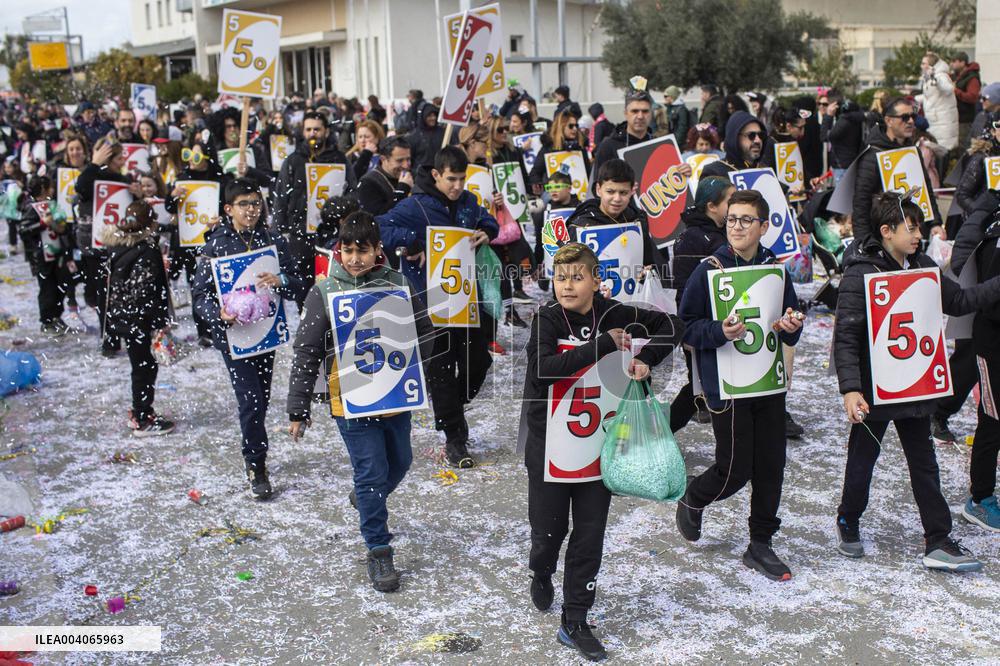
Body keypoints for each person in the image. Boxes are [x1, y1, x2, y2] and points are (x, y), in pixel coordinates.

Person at [522, 241, 680, 662]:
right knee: (549, 533)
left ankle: (575, 619)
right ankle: (541, 570)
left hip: (600, 445)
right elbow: (542, 370)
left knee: (589, 536)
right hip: (550, 448)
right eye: (560, 277)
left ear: (596, 281)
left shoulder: (614, 313)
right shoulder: (546, 319)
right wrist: (604, 346)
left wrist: (647, 360)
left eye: (577, 277)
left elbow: (673, 326)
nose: (567, 286)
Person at [832, 192, 1000, 570]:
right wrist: (851, 389)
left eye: (919, 227)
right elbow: (846, 336)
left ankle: (938, 538)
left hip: (915, 386)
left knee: (924, 464)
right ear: (886, 231)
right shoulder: (860, 272)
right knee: (862, 460)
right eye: (910, 228)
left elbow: (959, 301)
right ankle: (848, 519)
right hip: (874, 391)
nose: (918, 235)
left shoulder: (922, 265)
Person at [287, 211, 434, 591]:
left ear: (377, 249)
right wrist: (298, 408)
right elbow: (306, 350)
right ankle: (379, 549)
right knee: (370, 472)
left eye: (363, 251)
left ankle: (368, 497)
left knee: (400, 462)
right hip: (350, 400)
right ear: (339, 249)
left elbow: (424, 331)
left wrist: (416, 370)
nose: (355, 259)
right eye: (348, 250)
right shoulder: (324, 291)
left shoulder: (398, 283)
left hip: (394, 396)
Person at [675, 189, 804, 581]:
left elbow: (791, 322)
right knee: (733, 469)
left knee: (771, 466)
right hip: (728, 386)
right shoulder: (709, 269)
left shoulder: (775, 270)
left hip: (767, 382)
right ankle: (694, 496)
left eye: (746, 220)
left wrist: (790, 326)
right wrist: (719, 331)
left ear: (763, 227)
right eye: (732, 219)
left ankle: (760, 543)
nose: (736, 226)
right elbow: (686, 327)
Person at [377, 146, 499, 468]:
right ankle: (455, 437)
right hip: (431, 304)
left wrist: (487, 231)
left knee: (478, 364)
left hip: (467, 301)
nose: (457, 186)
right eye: (451, 179)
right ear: (436, 175)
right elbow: (380, 227)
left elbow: (489, 220)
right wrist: (411, 242)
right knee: (441, 372)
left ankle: (452, 408)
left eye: (462, 179)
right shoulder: (415, 205)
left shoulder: (469, 202)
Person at [192, 178, 307, 500]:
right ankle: (256, 464)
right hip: (232, 338)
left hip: (265, 334)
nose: (251, 210)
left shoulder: (272, 240)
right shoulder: (216, 245)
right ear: (229, 209)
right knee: (251, 400)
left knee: (262, 398)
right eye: (244, 204)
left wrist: (281, 280)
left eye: (256, 203)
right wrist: (219, 314)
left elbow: (298, 283)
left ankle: (255, 452)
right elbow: (199, 295)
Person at [102, 200, 175, 436]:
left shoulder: (116, 246)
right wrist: (159, 322)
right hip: (141, 321)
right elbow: (149, 291)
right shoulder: (147, 249)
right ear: (151, 224)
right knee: (145, 368)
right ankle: (143, 416)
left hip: (123, 318)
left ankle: (140, 410)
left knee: (139, 366)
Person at [669, 176, 734, 432]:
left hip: (722, 323)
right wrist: (686, 330)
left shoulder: (724, 231)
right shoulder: (691, 238)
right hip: (699, 325)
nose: (736, 205)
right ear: (712, 206)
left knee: (706, 386)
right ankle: (663, 431)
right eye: (730, 200)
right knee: (699, 387)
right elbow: (683, 288)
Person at [271, 110, 355, 306]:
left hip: (332, 235)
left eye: (317, 129)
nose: (312, 133)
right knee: (303, 288)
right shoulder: (293, 161)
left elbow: (352, 192)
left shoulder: (339, 159)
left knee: (332, 287)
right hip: (300, 235)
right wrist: (278, 231)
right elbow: (281, 197)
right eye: (308, 129)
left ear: (326, 131)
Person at [75, 136, 142, 357]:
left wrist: (137, 194)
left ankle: (126, 333)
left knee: (121, 291)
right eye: (119, 156)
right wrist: (94, 163)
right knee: (102, 294)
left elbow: (134, 209)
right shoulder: (93, 176)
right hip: (96, 246)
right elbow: (81, 188)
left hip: (120, 245)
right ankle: (110, 339)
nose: (123, 160)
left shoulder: (124, 179)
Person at [958, 189, 1000, 532]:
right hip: (993, 341)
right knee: (993, 418)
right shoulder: (994, 232)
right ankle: (980, 498)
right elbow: (988, 297)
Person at [847, 97, 944, 246]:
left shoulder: (913, 151)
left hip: (912, 233)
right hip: (884, 237)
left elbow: (926, 190)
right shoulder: (873, 154)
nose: (911, 121)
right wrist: (864, 241)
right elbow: (861, 202)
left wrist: (935, 223)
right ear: (889, 121)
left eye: (913, 116)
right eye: (904, 117)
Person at [567, 159, 666, 280]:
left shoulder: (637, 221)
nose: (617, 198)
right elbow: (565, 274)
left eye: (623, 193)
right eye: (610, 192)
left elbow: (649, 261)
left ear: (632, 191)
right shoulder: (580, 226)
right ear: (598, 189)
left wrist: (647, 274)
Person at [19, 176, 73, 334]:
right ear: (43, 189)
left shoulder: (53, 205)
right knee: (47, 288)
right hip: (41, 256)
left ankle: (57, 316)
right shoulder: (30, 207)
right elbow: (24, 230)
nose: (52, 190)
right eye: (50, 187)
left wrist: (62, 227)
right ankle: (47, 321)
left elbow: (64, 227)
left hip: (57, 252)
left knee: (61, 286)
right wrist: (42, 224)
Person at [592, 85, 654, 187]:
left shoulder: (661, 144)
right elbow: (596, 187)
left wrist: (681, 173)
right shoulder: (608, 146)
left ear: (651, 113)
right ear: (625, 113)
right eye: (634, 111)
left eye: (645, 111)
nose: (640, 116)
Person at [530, 170, 579, 291]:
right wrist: (536, 264)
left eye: (558, 187)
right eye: (550, 187)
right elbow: (540, 241)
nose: (553, 191)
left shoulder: (580, 207)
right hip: (554, 260)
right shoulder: (546, 210)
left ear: (569, 188)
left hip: (577, 259)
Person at [955, 112, 1000, 217]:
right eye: (999, 126)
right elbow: (962, 194)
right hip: (985, 221)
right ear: (993, 131)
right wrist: (981, 214)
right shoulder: (981, 157)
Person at [700, 110, 768, 179]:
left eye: (761, 135)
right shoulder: (714, 173)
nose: (758, 140)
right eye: (751, 135)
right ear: (735, 138)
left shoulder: (766, 171)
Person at [357, 136, 412, 219]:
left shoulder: (411, 177)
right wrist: (402, 190)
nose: (406, 165)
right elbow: (378, 218)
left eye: (408, 159)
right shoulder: (368, 183)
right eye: (400, 161)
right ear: (383, 159)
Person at [821, 91, 867, 186]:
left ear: (834, 105)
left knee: (842, 193)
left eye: (826, 104)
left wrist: (828, 116)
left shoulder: (844, 120)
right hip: (850, 162)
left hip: (842, 165)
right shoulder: (853, 117)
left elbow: (824, 136)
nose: (824, 107)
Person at [917, 52, 958, 152]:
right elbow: (930, 96)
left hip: (942, 122)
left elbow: (948, 89)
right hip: (935, 120)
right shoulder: (929, 77)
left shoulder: (940, 76)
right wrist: (914, 99)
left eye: (924, 63)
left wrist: (936, 80)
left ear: (931, 65)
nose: (921, 66)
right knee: (936, 150)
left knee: (943, 151)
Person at [950, 52, 982, 149]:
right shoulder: (957, 76)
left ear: (963, 63)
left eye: (954, 61)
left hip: (965, 120)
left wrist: (955, 91)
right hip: (956, 119)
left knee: (963, 147)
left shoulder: (972, 78)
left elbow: (972, 97)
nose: (951, 64)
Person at [406, 104, 451, 169]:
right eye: (429, 116)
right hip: (421, 172)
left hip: (440, 170)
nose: (433, 118)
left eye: (434, 115)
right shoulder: (414, 136)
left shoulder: (443, 132)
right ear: (423, 117)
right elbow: (410, 157)